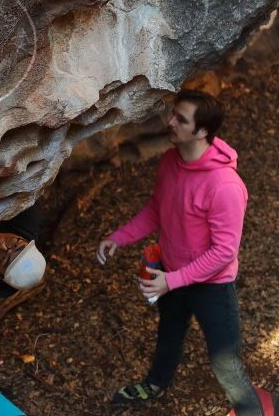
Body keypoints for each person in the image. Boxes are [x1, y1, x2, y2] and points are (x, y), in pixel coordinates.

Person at [96, 89, 263, 415]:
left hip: (210, 287)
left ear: (201, 131)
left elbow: (224, 252)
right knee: (168, 336)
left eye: (180, 119)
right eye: (173, 114)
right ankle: (156, 383)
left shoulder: (225, 186)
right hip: (170, 274)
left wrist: (172, 281)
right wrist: (119, 237)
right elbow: (158, 209)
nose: (169, 122)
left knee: (226, 364)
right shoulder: (171, 160)